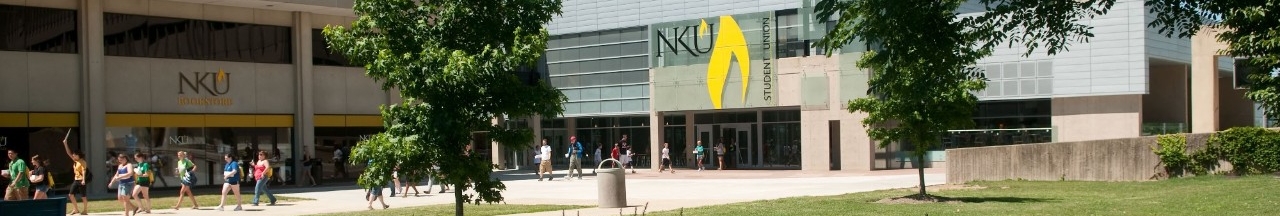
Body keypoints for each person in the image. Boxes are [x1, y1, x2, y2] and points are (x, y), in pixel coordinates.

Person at [61, 137, 90, 215]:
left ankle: (85, 210)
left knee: (83, 196)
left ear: (78, 155)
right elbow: (68, 153)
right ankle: (76, 209)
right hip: (76, 180)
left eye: (74, 155)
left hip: (81, 180)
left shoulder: (82, 162)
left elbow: (84, 171)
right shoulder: (75, 161)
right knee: (70, 194)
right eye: (73, 155)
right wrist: (65, 144)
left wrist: (83, 180)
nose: (73, 156)